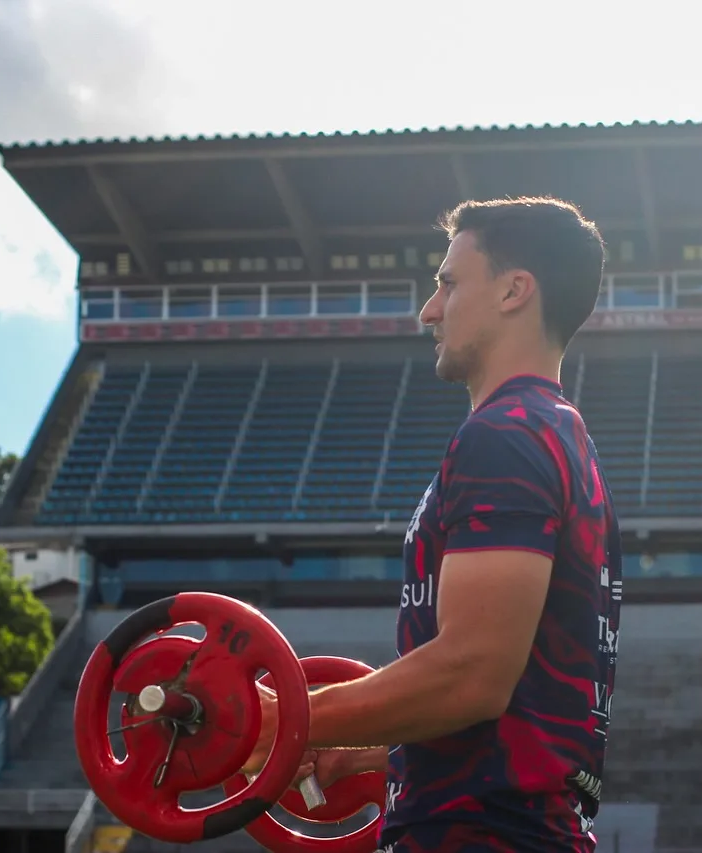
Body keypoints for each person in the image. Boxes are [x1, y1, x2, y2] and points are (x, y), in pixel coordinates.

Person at [245, 196, 623, 852]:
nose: (429, 308)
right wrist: (367, 748)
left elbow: (472, 673)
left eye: (448, 283)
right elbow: (512, 698)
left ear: (513, 291)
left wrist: (281, 719)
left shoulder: (504, 437)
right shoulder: (556, 434)